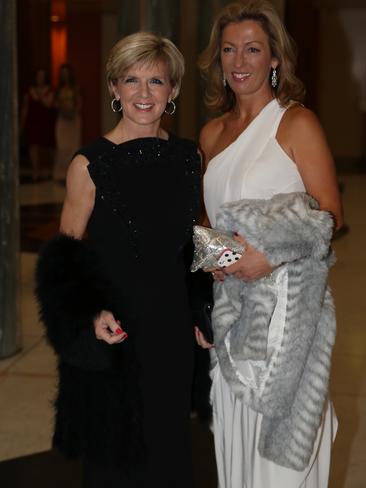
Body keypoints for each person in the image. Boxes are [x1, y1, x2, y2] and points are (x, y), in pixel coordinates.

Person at [36, 32, 201, 487]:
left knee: (169, 448)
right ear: (113, 88)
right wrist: (89, 314)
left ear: (174, 91)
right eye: (131, 80)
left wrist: (201, 308)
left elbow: (191, 244)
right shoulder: (89, 164)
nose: (143, 94)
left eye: (156, 81)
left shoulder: (188, 158)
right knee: (116, 460)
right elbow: (63, 260)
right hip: (116, 330)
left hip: (171, 329)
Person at [195, 1, 343, 487]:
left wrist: (269, 255)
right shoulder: (211, 133)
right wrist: (218, 260)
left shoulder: (296, 122)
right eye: (229, 50)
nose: (239, 62)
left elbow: (331, 215)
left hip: (287, 317)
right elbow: (207, 222)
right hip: (232, 315)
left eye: (253, 50)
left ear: (274, 58)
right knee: (236, 444)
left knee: (283, 458)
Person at [20, 67, 55, 181]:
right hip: (33, 122)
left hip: (46, 121)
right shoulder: (29, 91)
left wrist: (40, 95)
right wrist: (22, 123)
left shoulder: (50, 90)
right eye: (38, 76)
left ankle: (50, 170)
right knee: (33, 146)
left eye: (42, 76)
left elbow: (48, 104)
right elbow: (25, 108)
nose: (40, 78)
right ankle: (35, 171)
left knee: (49, 147)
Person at [53, 63, 82, 183]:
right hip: (62, 120)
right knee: (62, 147)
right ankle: (61, 175)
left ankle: (72, 174)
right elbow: (54, 103)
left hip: (73, 119)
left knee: (73, 147)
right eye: (62, 74)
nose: (65, 76)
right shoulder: (58, 89)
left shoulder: (76, 88)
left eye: (66, 74)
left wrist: (72, 110)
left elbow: (80, 103)